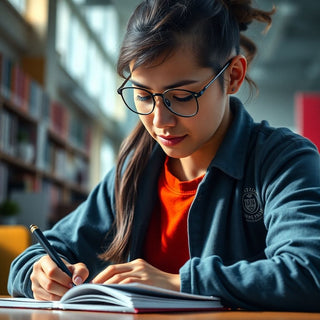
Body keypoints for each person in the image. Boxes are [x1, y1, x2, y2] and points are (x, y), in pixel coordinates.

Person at [8, 0, 320, 311]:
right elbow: (32, 259)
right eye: (143, 95)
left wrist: (178, 282)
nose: (160, 122)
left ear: (233, 76)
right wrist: (41, 274)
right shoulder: (135, 170)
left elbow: (308, 272)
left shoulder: (283, 161)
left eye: (182, 97)